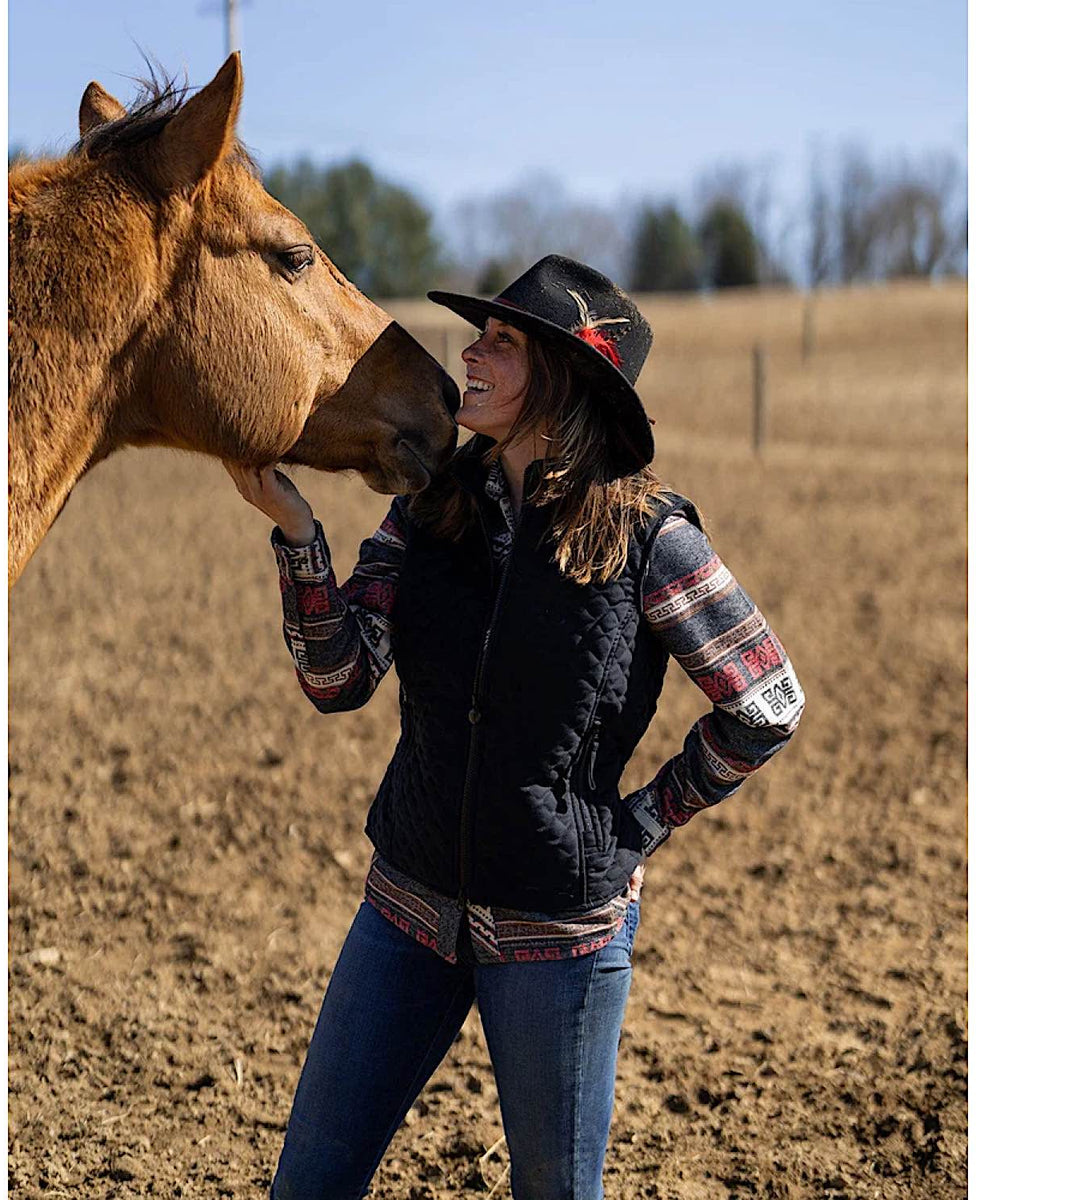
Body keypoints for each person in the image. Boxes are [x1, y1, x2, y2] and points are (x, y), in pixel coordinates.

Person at [225, 256, 805, 1200]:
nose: (471, 355)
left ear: (562, 378)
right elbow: (338, 679)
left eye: (501, 343)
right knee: (309, 1184)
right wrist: (297, 536)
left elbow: (767, 698)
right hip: (405, 909)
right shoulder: (427, 509)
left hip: (560, 936)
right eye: (479, 337)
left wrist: (639, 825)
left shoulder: (648, 535)